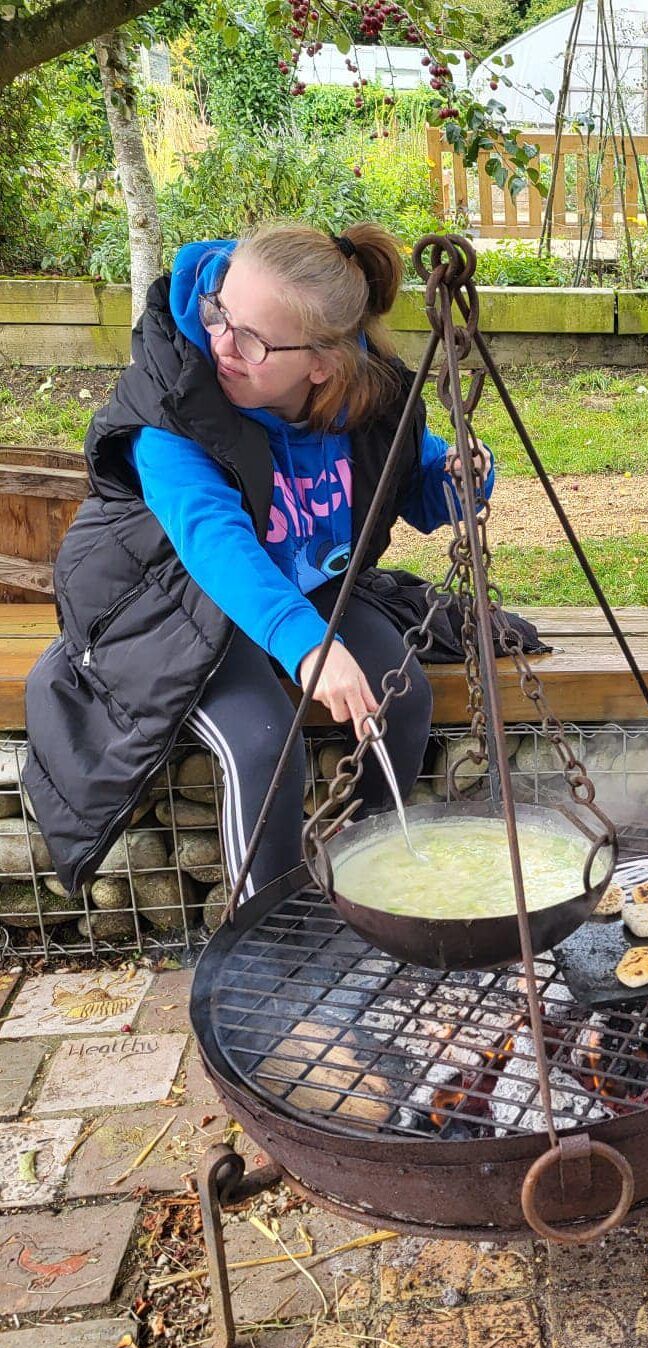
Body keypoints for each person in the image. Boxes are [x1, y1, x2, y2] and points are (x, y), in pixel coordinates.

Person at [24, 221, 495, 904]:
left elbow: (415, 487)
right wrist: (308, 647)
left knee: (400, 692)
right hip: (170, 595)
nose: (221, 344)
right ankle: (269, 938)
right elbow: (216, 541)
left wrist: (463, 473)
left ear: (322, 365)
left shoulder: (368, 397)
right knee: (262, 741)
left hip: (300, 583)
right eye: (220, 313)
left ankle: (364, 888)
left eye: (253, 340)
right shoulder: (173, 402)